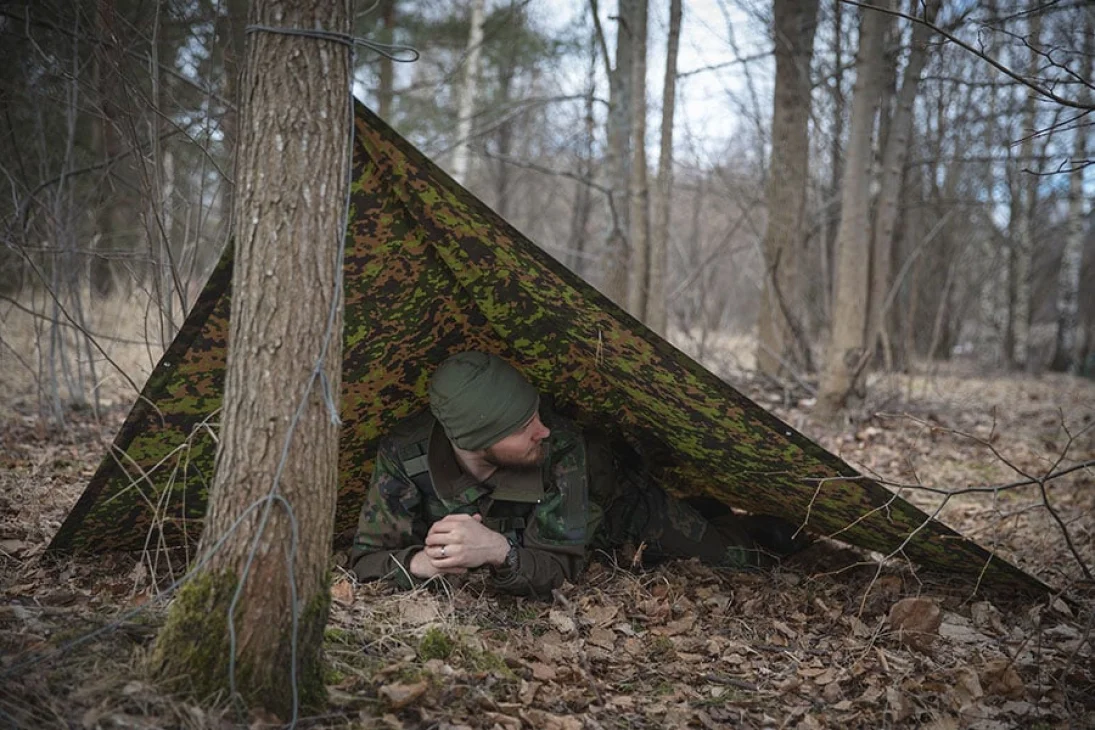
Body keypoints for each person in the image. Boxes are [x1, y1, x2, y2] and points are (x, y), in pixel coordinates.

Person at [350, 351, 805, 598]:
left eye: (536, 414)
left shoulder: (562, 446)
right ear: (474, 441)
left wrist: (498, 552)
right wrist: (425, 564)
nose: (541, 429)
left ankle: (742, 524)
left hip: (623, 510)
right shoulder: (403, 455)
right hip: (554, 525)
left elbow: (563, 568)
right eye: (523, 427)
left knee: (739, 561)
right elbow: (366, 558)